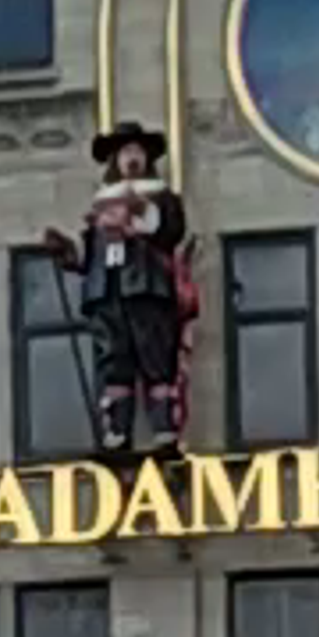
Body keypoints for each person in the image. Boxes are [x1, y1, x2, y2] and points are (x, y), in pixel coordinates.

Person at [47, 126, 198, 458]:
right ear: (116, 159)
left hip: (146, 287)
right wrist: (67, 253)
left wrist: (139, 214)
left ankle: (164, 430)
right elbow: (90, 256)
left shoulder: (161, 197)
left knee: (155, 357)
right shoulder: (101, 204)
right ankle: (117, 432)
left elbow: (171, 232)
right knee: (113, 361)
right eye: (126, 152)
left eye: (137, 152)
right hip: (107, 292)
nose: (132, 158)